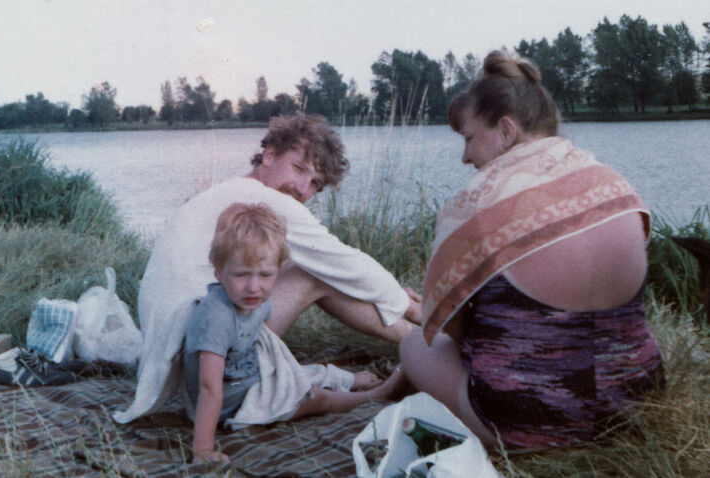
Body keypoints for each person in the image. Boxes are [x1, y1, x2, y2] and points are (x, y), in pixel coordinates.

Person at [399, 50, 665, 450]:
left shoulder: (476, 201)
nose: (465, 156)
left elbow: (450, 328)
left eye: (470, 138)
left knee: (414, 344)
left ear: (506, 131)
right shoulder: (613, 184)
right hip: (638, 408)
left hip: (531, 423)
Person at [114, 114, 421, 424]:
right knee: (312, 271)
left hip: (176, 358)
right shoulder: (267, 200)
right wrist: (406, 304)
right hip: (198, 353)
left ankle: (419, 343)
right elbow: (345, 262)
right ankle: (424, 343)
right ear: (269, 155)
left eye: (315, 183)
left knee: (306, 265)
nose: (303, 188)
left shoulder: (232, 193)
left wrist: (390, 294)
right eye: (299, 168)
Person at [184, 203, 407, 464]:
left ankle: (341, 379)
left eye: (266, 274)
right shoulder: (216, 317)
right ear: (218, 271)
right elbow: (209, 388)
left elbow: (268, 345)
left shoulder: (257, 298)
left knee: (298, 374)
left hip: (246, 377)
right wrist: (203, 449)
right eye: (241, 274)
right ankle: (373, 396)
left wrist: (282, 374)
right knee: (313, 398)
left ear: (278, 269)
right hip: (228, 406)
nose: (253, 286)